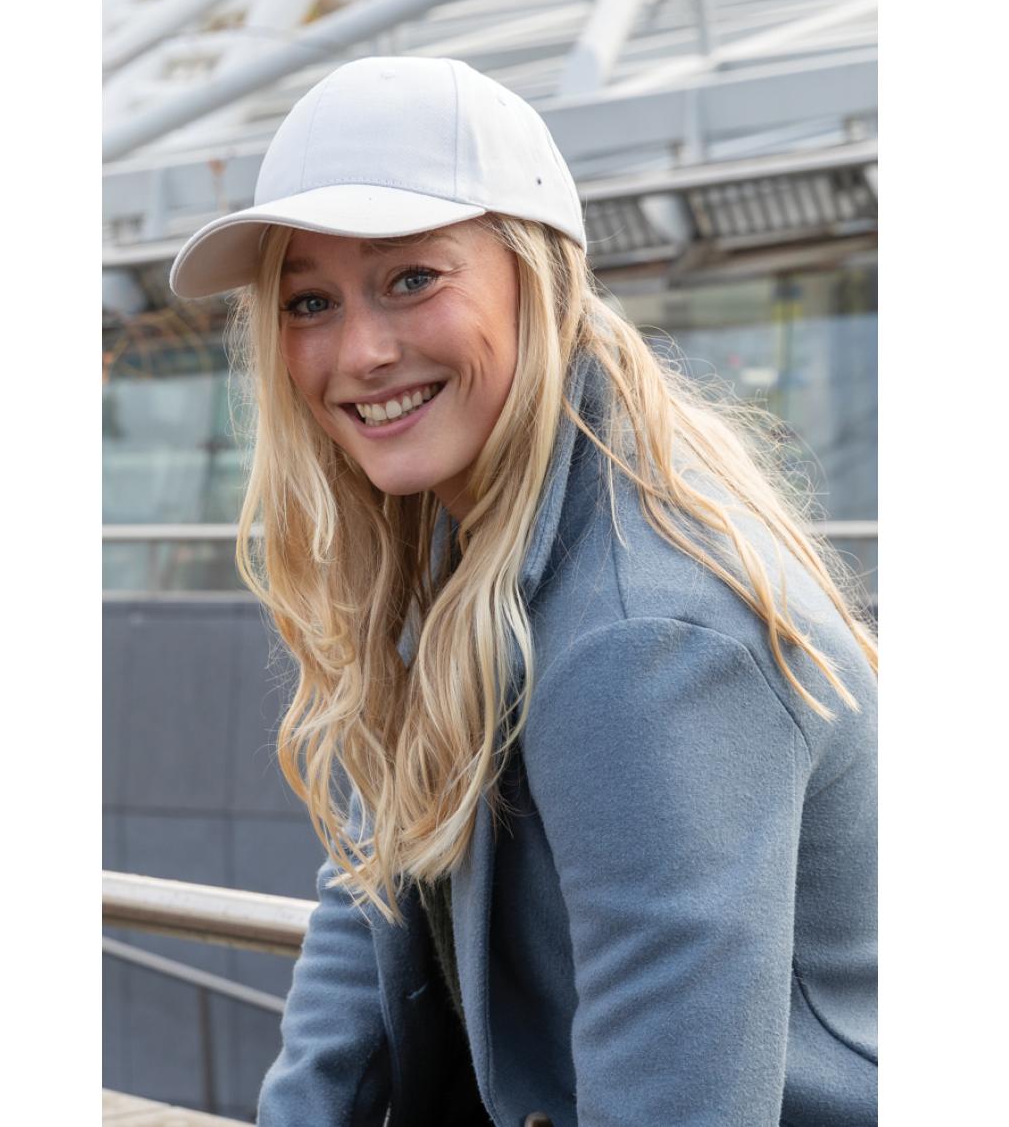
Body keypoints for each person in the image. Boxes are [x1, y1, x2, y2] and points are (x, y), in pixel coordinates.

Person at [170, 56, 877, 1127]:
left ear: (536, 276)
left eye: (412, 279)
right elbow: (370, 901)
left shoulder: (649, 638)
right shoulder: (462, 543)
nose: (359, 352)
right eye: (310, 301)